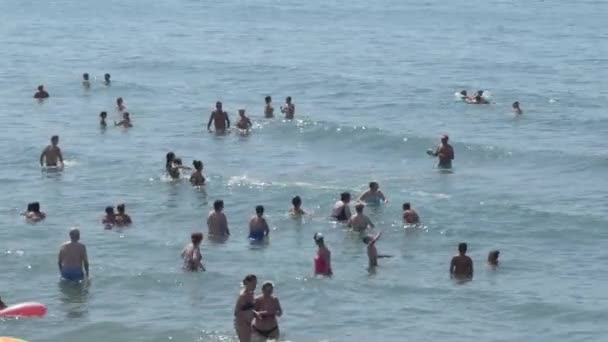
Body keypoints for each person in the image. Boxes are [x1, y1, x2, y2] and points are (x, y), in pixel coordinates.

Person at [234, 274, 260, 342]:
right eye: (253, 283)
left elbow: (250, 308)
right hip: (242, 323)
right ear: (247, 283)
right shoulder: (243, 295)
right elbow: (236, 312)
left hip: (249, 323)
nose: (255, 285)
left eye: (256, 283)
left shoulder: (251, 293)